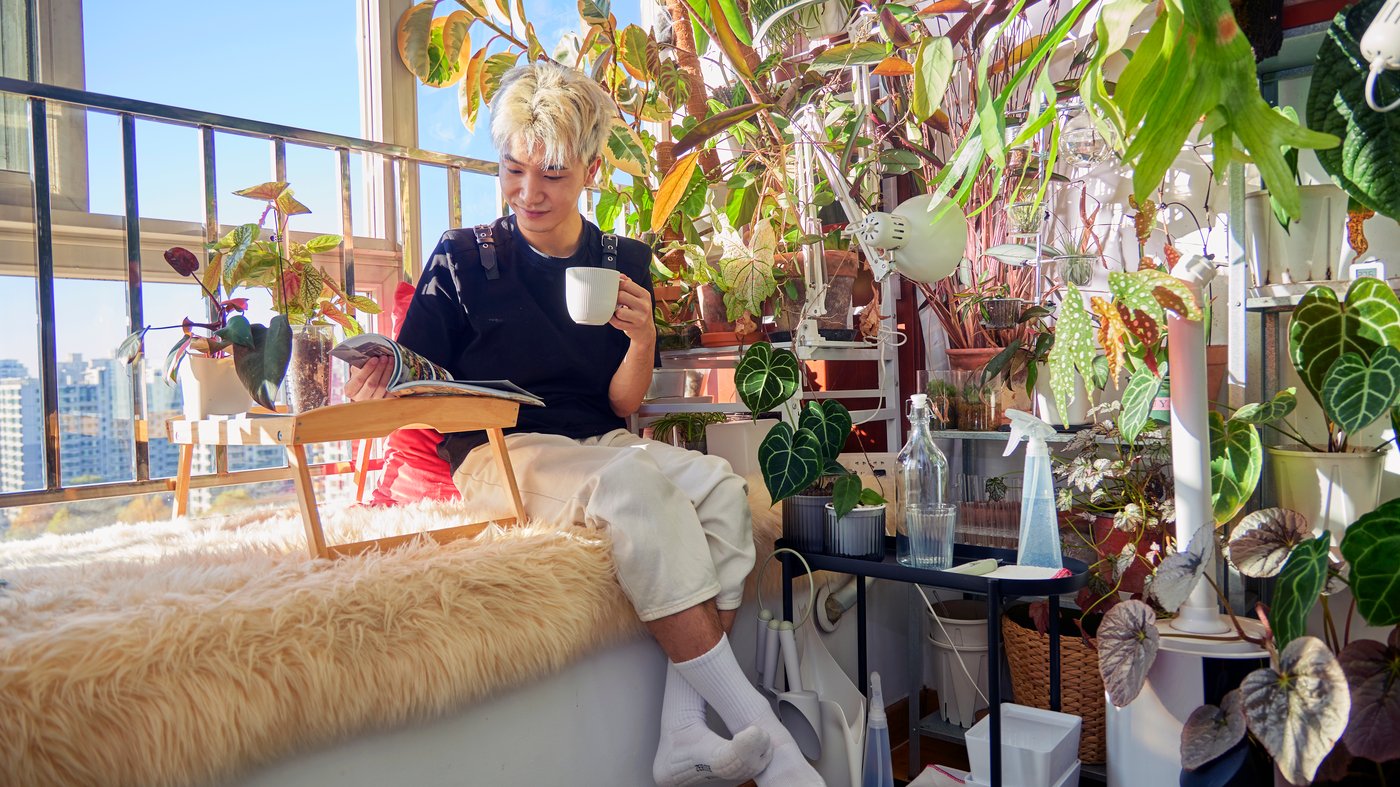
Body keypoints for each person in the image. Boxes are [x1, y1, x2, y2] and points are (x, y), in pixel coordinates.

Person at [345, 62, 824, 787]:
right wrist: (387, 373)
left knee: (725, 492)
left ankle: (681, 730)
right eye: (513, 171)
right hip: (497, 453)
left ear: (591, 169)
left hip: (599, 440)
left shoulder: (620, 261)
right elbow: (416, 377)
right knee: (634, 480)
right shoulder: (464, 259)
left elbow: (623, 403)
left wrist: (642, 343)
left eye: (554, 175)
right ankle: (772, 747)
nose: (529, 194)